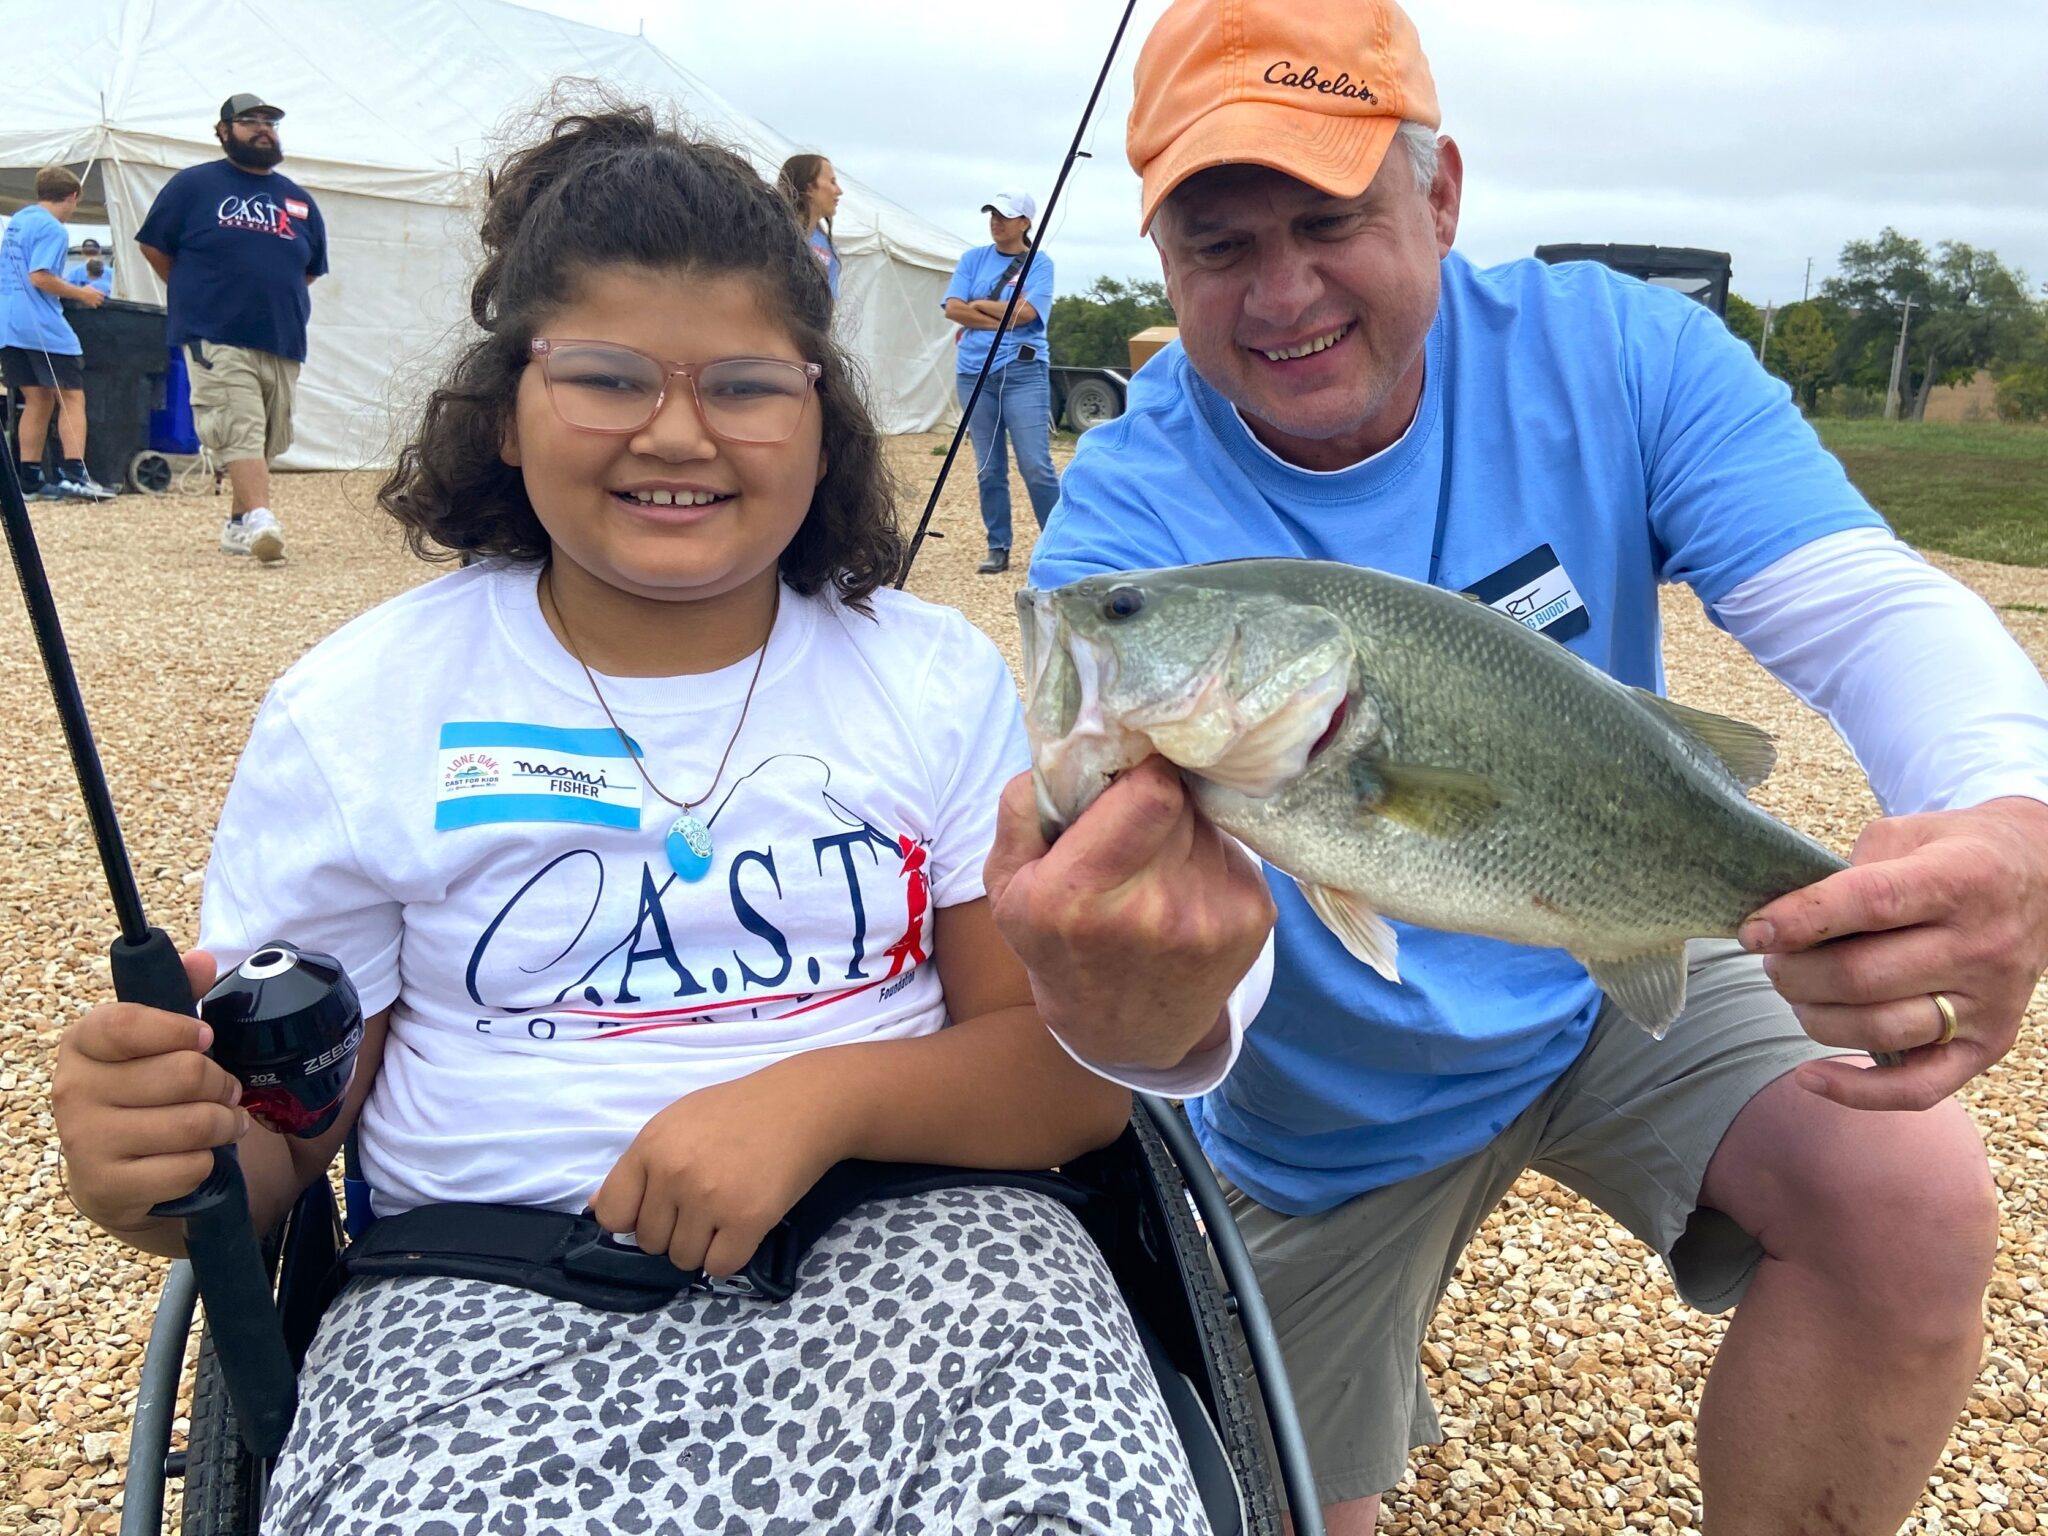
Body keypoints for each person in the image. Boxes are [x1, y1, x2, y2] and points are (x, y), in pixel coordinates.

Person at [52, 106, 1216, 1536]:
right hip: (477, 1308)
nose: (677, 432)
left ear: (820, 408)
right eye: (605, 375)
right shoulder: (357, 706)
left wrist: (816, 1099)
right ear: (507, 401)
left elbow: (1067, 1080)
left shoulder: (929, 676)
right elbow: (284, 1146)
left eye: (743, 384)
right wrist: (166, 1164)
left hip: (943, 1262)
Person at [987, 1, 2048, 1532]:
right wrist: (1129, 1003)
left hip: (1609, 940)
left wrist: (2007, 827)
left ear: (1441, 195)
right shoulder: (1134, 524)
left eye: (1330, 218)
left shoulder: (1615, 349)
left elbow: (1863, 604)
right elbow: (1124, 946)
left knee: (1916, 1208)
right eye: (1218, 245)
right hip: (1318, 1099)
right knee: (1269, 1500)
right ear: (1161, 259)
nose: (1281, 292)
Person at [136, 92, 328, 563]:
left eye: (270, 121)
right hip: (215, 332)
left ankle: (239, 523)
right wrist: (195, 295)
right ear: (223, 131)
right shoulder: (194, 187)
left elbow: (308, 268)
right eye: (249, 121)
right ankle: (262, 518)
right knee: (238, 427)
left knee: (268, 438)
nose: (263, 128)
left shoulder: (297, 200)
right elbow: (154, 247)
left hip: (282, 339)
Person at [943, 189, 1059, 575]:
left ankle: (1060, 543)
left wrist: (979, 306)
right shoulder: (972, 258)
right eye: (992, 214)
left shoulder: (1039, 263)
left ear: (1025, 223)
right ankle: (998, 546)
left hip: (1023, 372)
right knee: (988, 467)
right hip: (974, 372)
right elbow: (953, 308)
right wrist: (1002, 316)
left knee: (1036, 465)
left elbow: (1027, 314)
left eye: (1006, 216)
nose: (996, 221)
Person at [0, 166, 115, 501]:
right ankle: (74, 475)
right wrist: (83, 293)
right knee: (72, 396)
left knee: (37, 399)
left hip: (8, 323)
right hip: (40, 324)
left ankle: (29, 481)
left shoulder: (20, 220)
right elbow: (40, 276)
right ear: (73, 196)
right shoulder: (54, 229)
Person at [776, 152, 843, 301]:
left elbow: (829, 304)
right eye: (832, 182)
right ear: (810, 188)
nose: (839, 191)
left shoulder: (828, 248)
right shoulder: (773, 234)